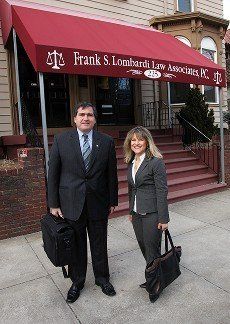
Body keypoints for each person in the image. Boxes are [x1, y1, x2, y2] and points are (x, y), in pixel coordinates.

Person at [48, 102, 118, 303]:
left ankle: (102, 278)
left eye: (89, 115)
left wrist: (113, 199)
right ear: (75, 119)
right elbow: (53, 174)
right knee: (76, 246)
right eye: (81, 115)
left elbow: (111, 174)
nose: (85, 118)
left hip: (98, 202)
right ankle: (77, 282)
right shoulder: (61, 140)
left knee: (99, 243)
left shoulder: (106, 141)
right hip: (71, 203)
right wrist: (53, 204)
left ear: (95, 119)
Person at [124, 126, 169, 303]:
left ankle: (155, 284)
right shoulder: (131, 161)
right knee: (144, 248)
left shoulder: (156, 162)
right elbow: (131, 189)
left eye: (140, 139)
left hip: (152, 213)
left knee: (152, 250)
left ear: (147, 141)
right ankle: (153, 277)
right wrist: (130, 210)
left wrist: (163, 218)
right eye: (133, 140)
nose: (136, 143)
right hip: (136, 214)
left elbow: (162, 190)